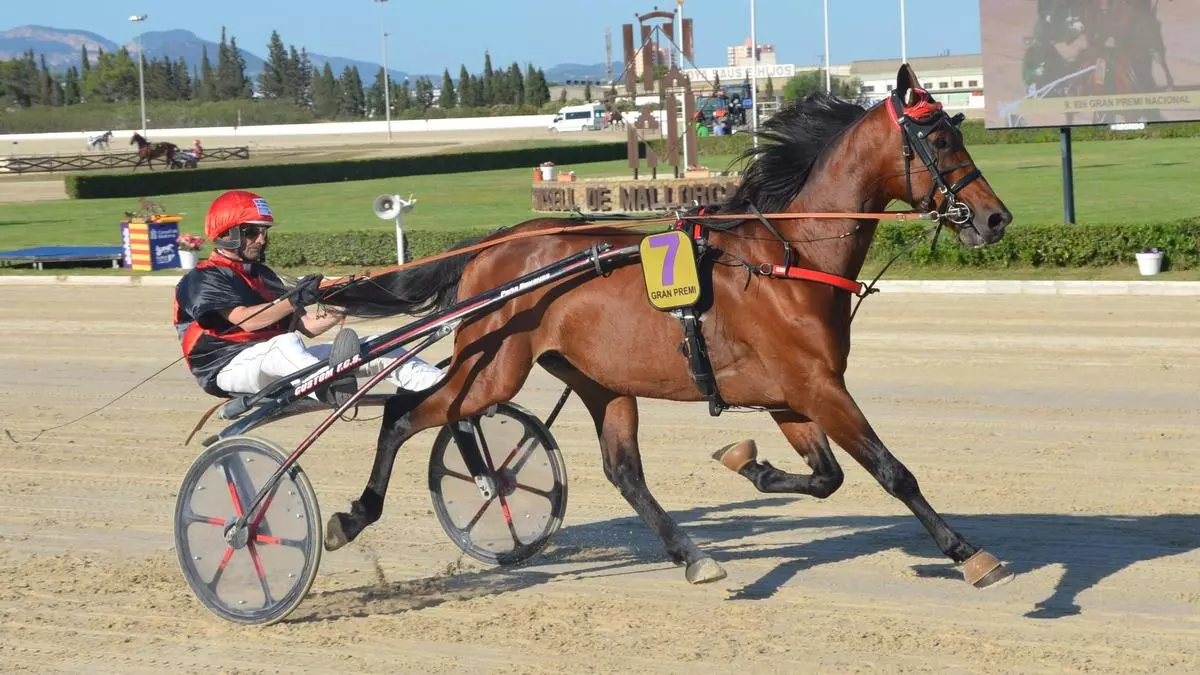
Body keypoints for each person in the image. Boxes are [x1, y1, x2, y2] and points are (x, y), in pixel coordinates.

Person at [172, 189, 444, 406]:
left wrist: (346, 299)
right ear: (226, 234)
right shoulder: (203, 277)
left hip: (280, 362)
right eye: (252, 232)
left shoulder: (263, 275)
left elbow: (307, 326)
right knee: (285, 343)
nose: (261, 240)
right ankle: (328, 385)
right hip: (227, 369)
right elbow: (248, 321)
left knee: (379, 346)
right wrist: (296, 298)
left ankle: (445, 388)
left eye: (264, 232)